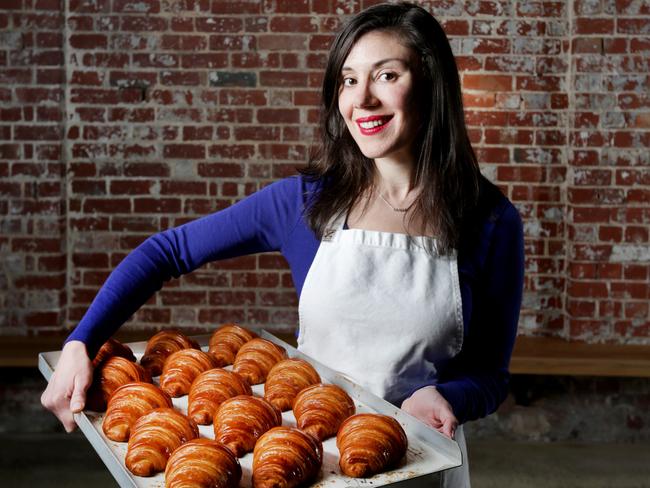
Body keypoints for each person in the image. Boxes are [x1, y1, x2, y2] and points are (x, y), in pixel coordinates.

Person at [42, 2, 524, 486]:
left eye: (386, 76)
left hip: (418, 463)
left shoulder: (490, 221)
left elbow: (490, 375)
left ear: (431, 86)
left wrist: (447, 398)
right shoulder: (305, 202)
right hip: (307, 461)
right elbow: (166, 251)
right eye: (349, 80)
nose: (363, 100)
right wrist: (81, 342)